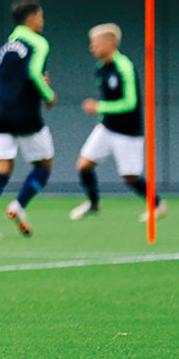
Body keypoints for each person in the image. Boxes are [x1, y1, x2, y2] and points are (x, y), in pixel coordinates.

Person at [70, 23, 166, 222]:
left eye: (96, 43)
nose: (92, 47)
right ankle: (94, 203)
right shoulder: (100, 68)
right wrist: (102, 116)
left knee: (130, 177)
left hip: (127, 131)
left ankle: (157, 205)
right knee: (83, 165)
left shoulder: (124, 66)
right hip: (106, 128)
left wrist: (99, 107)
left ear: (110, 43)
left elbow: (130, 103)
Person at [0, 0, 56, 238]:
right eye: (40, 16)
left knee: (1, 169)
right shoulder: (38, 43)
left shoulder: (6, 47)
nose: (42, 21)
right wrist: (48, 94)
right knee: (44, 164)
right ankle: (18, 205)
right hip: (25, 114)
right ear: (31, 18)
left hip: (1, 114)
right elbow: (34, 73)